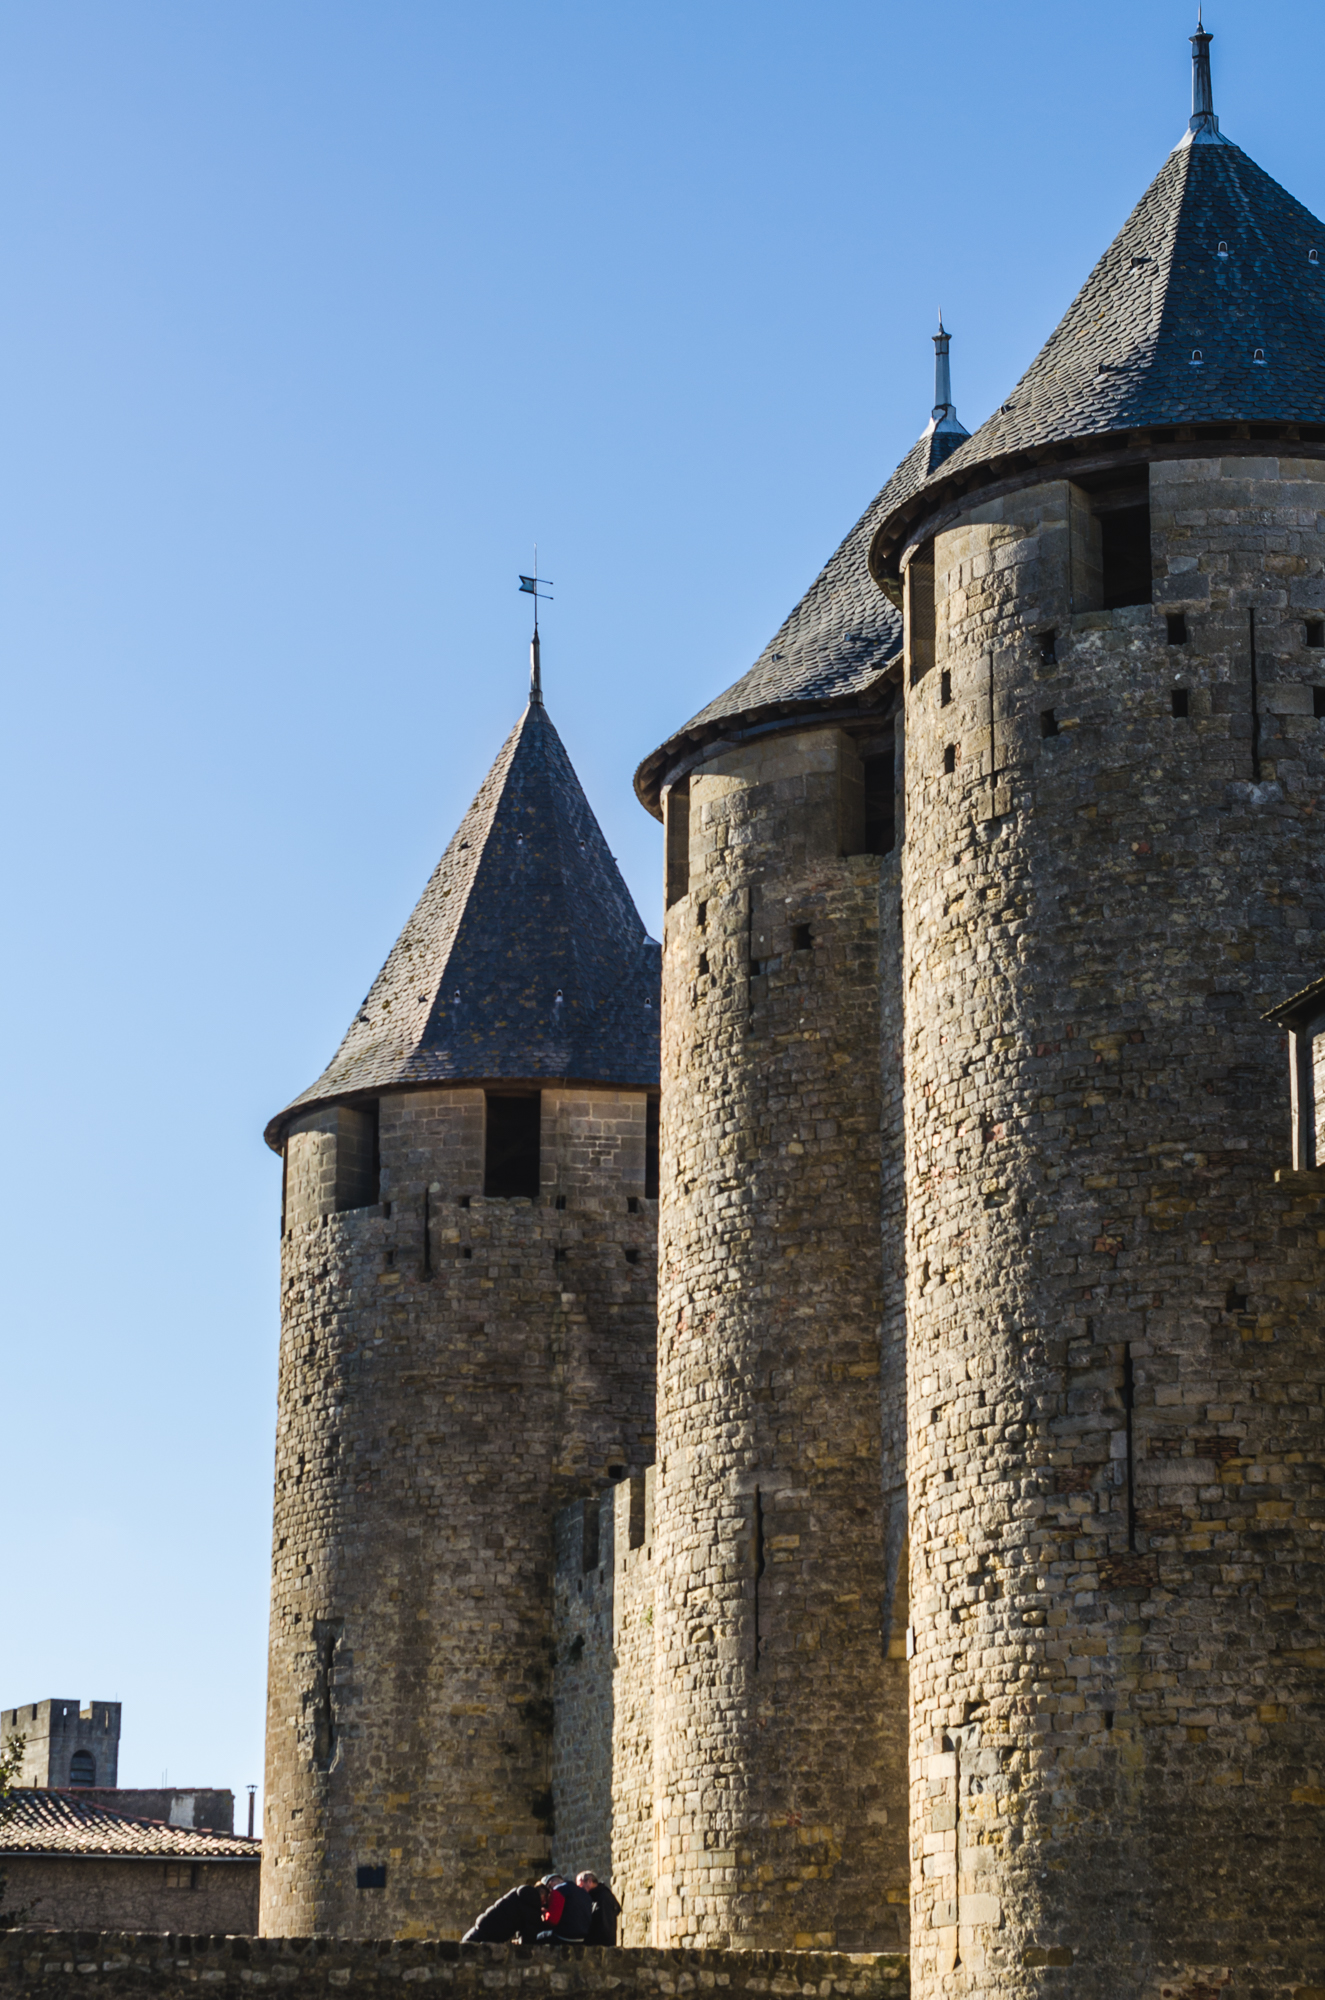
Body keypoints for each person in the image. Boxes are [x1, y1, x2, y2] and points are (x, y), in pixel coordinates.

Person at [461, 1882, 543, 1943]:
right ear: (542, 1895)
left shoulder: (517, 1894)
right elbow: (529, 1933)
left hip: (483, 1925)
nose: (545, 1904)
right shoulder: (533, 1904)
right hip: (493, 1935)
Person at [535, 1872, 595, 1943]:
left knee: (538, 1937)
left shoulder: (558, 1890)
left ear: (551, 1884)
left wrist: (545, 1915)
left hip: (564, 1936)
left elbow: (552, 1920)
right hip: (582, 1937)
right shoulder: (584, 1892)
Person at [577, 1871, 622, 1946]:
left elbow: (604, 1924)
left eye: (580, 1885)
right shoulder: (596, 1895)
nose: (579, 1889)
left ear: (589, 1881)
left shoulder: (602, 1897)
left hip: (601, 1944)